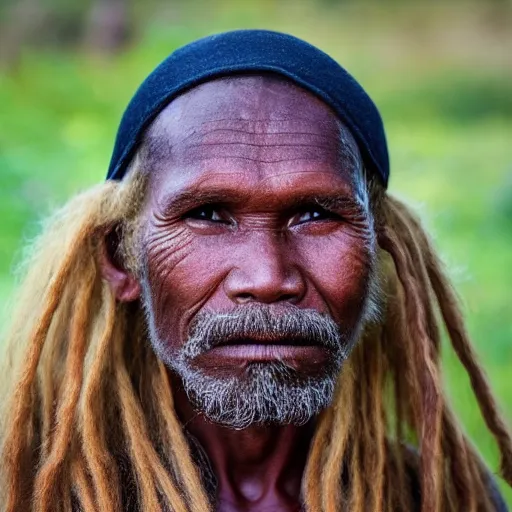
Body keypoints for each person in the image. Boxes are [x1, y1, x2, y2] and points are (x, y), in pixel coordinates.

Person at [0, 30, 510, 512]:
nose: (267, 278)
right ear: (121, 257)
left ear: (378, 251)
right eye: (206, 215)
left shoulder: (437, 496)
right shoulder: (33, 489)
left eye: (316, 215)